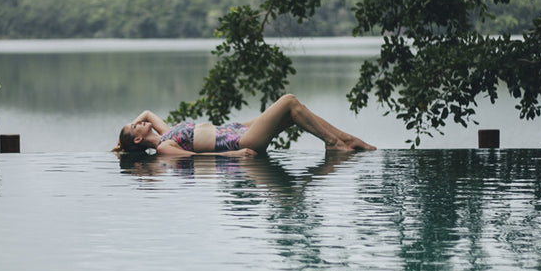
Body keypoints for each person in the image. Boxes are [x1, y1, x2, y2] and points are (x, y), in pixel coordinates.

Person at [113, 93, 376, 156]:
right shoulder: (163, 146)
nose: (141, 122)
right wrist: (235, 155)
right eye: (136, 126)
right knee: (288, 101)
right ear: (137, 139)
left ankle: (347, 140)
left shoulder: (164, 130)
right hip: (238, 141)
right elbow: (193, 158)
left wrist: (128, 131)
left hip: (236, 127)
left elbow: (147, 111)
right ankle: (333, 143)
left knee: (294, 112)